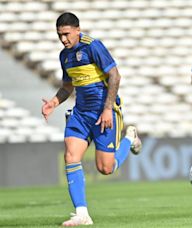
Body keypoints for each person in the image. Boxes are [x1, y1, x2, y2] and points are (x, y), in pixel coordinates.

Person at [41, 12, 142, 226]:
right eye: (60, 35)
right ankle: (82, 213)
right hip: (80, 113)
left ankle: (129, 137)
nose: (64, 39)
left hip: (104, 111)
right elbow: (68, 86)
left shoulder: (93, 46)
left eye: (67, 34)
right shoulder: (64, 55)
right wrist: (54, 102)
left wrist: (107, 109)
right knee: (71, 155)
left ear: (78, 30)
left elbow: (115, 76)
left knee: (106, 168)